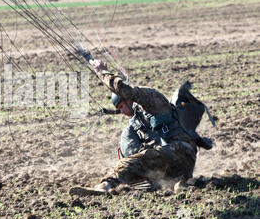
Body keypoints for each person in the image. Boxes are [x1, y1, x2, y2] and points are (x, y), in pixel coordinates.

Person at [70, 59, 213, 196]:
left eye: (122, 106)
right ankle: (178, 184)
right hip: (172, 166)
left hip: (181, 150)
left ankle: (105, 187)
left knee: (124, 164)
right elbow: (133, 153)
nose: (123, 112)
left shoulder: (152, 98)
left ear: (128, 99)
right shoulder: (135, 126)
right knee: (134, 166)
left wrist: (103, 72)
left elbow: (123, 89)